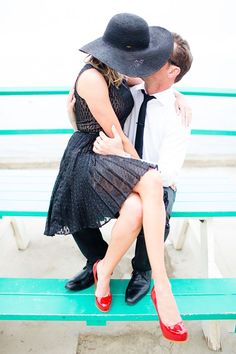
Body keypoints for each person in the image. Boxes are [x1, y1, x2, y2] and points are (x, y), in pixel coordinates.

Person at [44, 13, 188, 342]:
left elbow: (155, 88)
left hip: (110, 152)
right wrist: (143, 168)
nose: (140, 64)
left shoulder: (119, 73)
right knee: (151, 181)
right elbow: (117, 137)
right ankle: (162, 290)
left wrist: (176, 96)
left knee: (140, 206)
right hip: (90, 153)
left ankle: (105, 270)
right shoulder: (93, 78)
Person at [65, 32, 193, 307]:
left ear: (172, 70)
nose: (145, 59)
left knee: (155, 202)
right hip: (115, 170)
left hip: (153, 178)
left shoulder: (177, 115)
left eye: (157, 57)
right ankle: (97, 260)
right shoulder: (130, 89)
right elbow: (92, 91)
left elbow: (166, 175)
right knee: (76, 192)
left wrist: (121, 154)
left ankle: (143, 270)